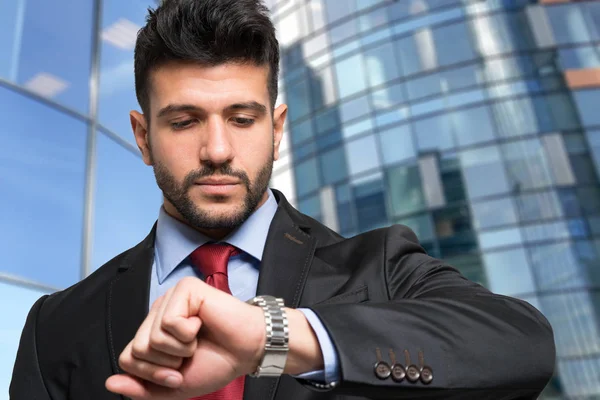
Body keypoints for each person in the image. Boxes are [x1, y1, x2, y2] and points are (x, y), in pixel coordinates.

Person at [10, 0, 555, 399]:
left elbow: (522, 343)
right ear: (143, 136)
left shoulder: (378, 268)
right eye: (184, 121)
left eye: (242, 119)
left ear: (277, 129)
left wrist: (278, 338)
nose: (218, 150)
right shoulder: (54, 326)